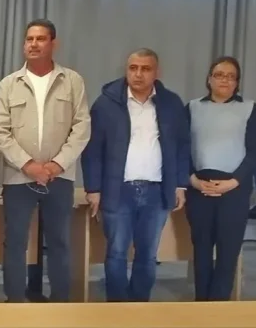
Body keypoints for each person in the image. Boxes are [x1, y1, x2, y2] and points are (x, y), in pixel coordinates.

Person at [0, 19, 90, 303]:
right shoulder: (9, 84)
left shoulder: (72, 81)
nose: (33, 44)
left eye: (40, 39)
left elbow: (82, 128)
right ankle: (15, 301)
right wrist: (28, 165)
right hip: (19, 177)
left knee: (59, 242)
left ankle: (60, 302)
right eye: (29, 39)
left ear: (53, 44)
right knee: (15, 242)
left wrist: (57, 165)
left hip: (59, 177)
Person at [81, 48, 189, 302]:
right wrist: (93, 188)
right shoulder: (106, 104)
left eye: (145, 69)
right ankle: (118, 307)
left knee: (148, 254)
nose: (138, 74)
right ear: (126, 70)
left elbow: (182, 146)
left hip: (156, 191)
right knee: (116, 252)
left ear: (156, 72)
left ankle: (140, 306)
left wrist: (180, 184)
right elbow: (92, 150)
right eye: (133, 68)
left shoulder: (171, 103)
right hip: (117, 190)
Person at [186, 56, 256, 301]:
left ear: (237, 82)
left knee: (228, 254)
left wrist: (234, 182)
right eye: (219, 75)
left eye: (231, 76)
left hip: (234, 189)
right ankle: (201, 305)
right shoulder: (193, 107)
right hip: (200, 187)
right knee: (202, 252)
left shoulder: (250, 108)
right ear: (209, 79)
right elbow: (182, 148)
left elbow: (255, 152)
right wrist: (192, 180)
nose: (225, 80)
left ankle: (219, 308)